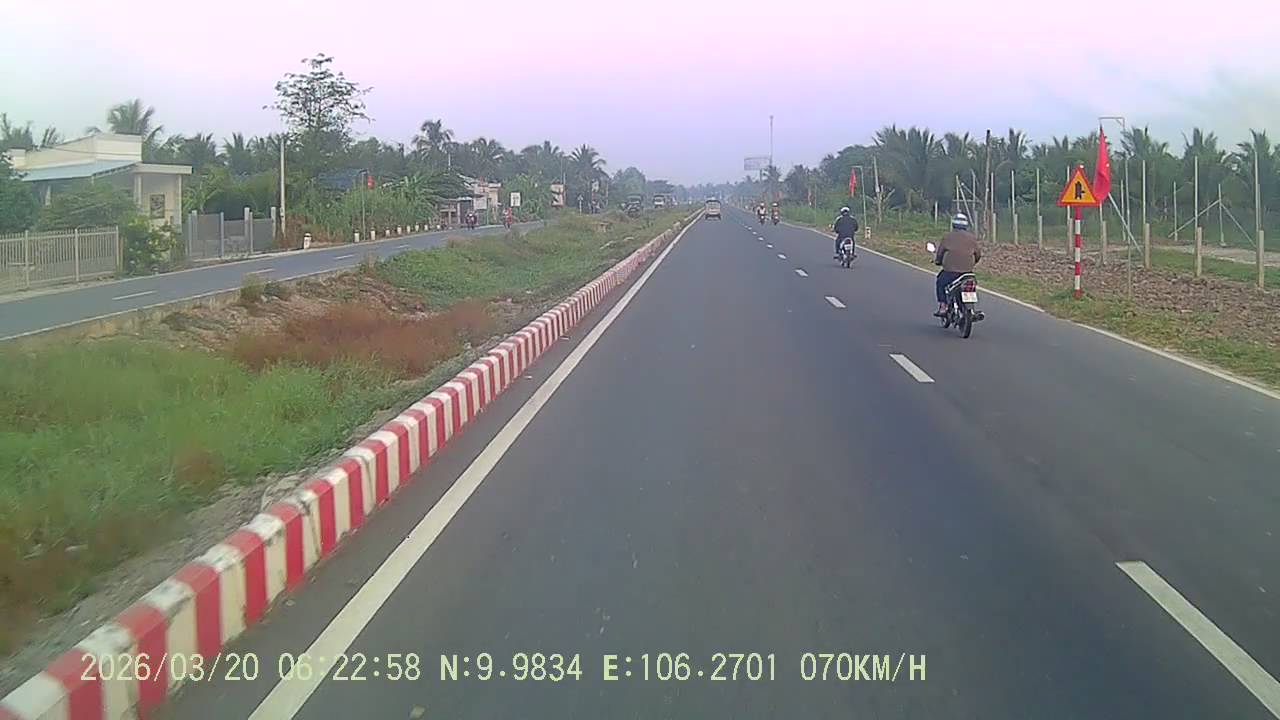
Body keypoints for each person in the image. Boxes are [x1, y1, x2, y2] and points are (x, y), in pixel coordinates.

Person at [933, 213, 982, 316]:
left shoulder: (948, 237)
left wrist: (938, 261)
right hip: (967, 273)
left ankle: (943, 306)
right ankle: (971, 310)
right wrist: (973, 263)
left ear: (953, 224)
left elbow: (940, 253)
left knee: (940, 283)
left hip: (950, 272)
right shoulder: (972, 238)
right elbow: (978, 254)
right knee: (970, 286)